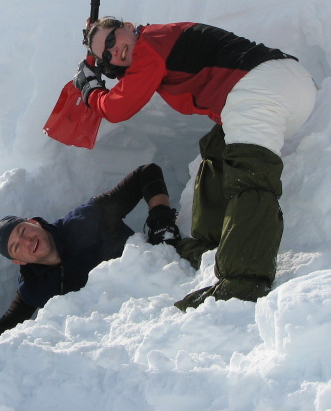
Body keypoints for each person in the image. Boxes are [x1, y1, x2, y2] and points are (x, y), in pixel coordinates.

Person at [74, 19, 316, 311]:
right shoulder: (154, 47)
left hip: (263, 84)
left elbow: (118, 107)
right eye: (106, 54)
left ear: (128, 25)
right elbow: (132, 80)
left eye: (112, 37)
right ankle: (210, 245)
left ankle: (243, 280)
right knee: (218, 150)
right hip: (283, 86)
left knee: (249, 175)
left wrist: (91, 90)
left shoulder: (150, 43)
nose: (114, 49)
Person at [0, 163, 178, 339]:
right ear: (19, 261)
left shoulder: (87, 219)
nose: (26, 241)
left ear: (34, 222)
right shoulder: (33, 288)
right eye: (16, 247)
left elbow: (146, 173)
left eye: (23, 231)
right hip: (124, 335)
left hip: (167, 289)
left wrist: (161, 220)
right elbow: (9, 322)